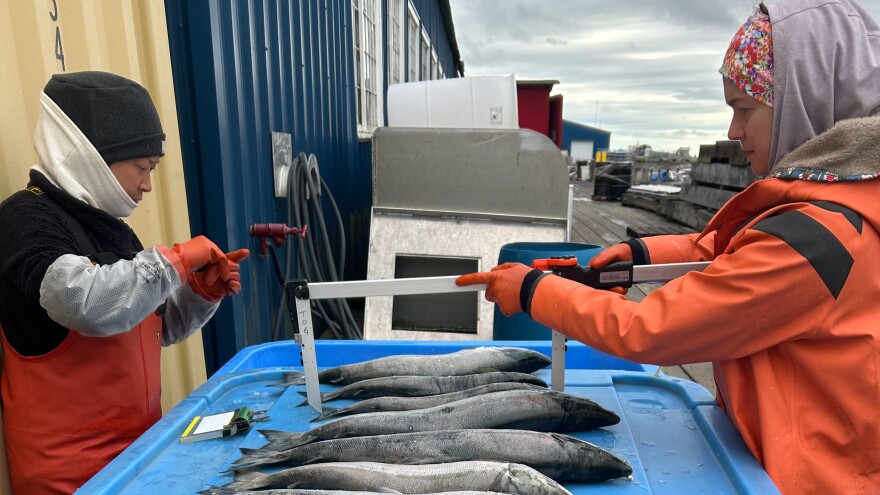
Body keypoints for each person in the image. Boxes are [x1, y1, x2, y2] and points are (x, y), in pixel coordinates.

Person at [457, 1, 880, 493]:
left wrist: (534, 290)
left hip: (802, 481)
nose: (732, 131)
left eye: (745, 109)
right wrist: (642, 258)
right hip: (768, 456)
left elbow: (654, 330)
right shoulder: (843, 205)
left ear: (807, 100)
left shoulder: (819, 243)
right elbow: (732, 253)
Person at [0, 71, 249, 494]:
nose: (149, 185)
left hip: (141, 461)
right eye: (142, 167)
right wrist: (177, 259)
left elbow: (151, 328)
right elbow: (83, 304)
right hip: (73, 482)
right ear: (94, 155)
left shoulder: (112, 229)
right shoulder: (26, 219)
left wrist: (199, 293)